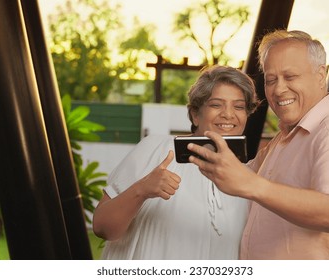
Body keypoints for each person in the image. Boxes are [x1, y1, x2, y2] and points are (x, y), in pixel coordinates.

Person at [187, 30, 329, 259]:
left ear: (320, 75)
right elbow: (237, 177)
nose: (278, 89)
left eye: (290, 77)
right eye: (271, 80)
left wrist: (254, 186)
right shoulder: (285, 138)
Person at [92, 65, 259, 259]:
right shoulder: (157, 148)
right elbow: (102, 227)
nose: (229, 114)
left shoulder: (249, 179)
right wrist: (141, 190)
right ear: (196, 114)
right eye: (216, 104)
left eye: (239, 106)